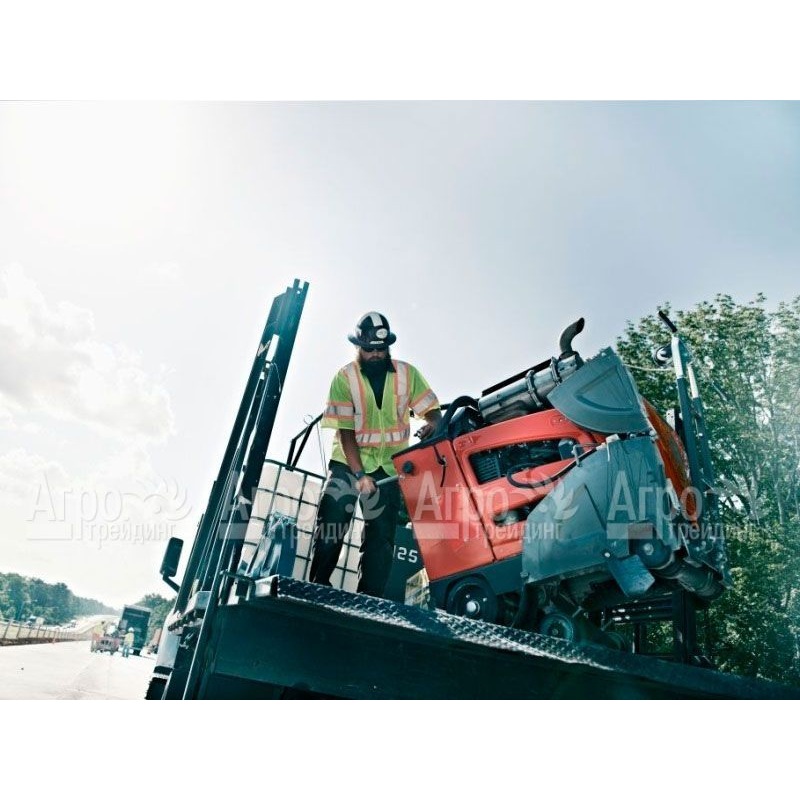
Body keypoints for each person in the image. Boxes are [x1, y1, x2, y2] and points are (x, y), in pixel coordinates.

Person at [309, 311, 441, 597]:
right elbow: (346, 432)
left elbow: (432, 410)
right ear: (358, 347)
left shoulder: (407, 375)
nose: (375, 355)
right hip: (348, 463)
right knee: (332, 524)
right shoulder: (345, 378)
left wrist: (433, 422)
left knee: (381, 540)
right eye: (369, 349)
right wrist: (359, 475)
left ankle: (369, 599)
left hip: (388, 468)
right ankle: (318, 585)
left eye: (381, 349)